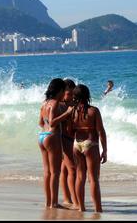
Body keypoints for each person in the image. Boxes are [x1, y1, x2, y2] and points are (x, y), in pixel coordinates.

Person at [38, 78, 75, 209]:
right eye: (63, 91)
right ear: (59, 90)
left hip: (42, 136)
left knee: (47, 172)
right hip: (52, 136)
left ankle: (48, 202)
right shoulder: (54, 103)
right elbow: (53, 122)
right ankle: (54, 203)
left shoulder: (44, 103)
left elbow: (41, 123)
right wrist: (67, 113)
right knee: (55, 172)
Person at [71, 84, 107, 212]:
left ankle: (81, 208)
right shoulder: (94, 111)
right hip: (90, 144)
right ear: (87, 95)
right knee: (93, 179)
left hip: (76, 144)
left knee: (80, 177)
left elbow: (69, 130)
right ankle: (98, 209)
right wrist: (105, 150)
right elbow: (101, 132)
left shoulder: (72, 111)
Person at [59, 79, 79, 209]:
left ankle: (67, 198)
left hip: (72, 139)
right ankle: (74, 200)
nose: (71, 96)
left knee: (65, 169)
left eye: (73, 93)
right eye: (69, 93)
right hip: (63, 139)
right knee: (72, 169)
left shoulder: (73, 103)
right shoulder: (60, 105)